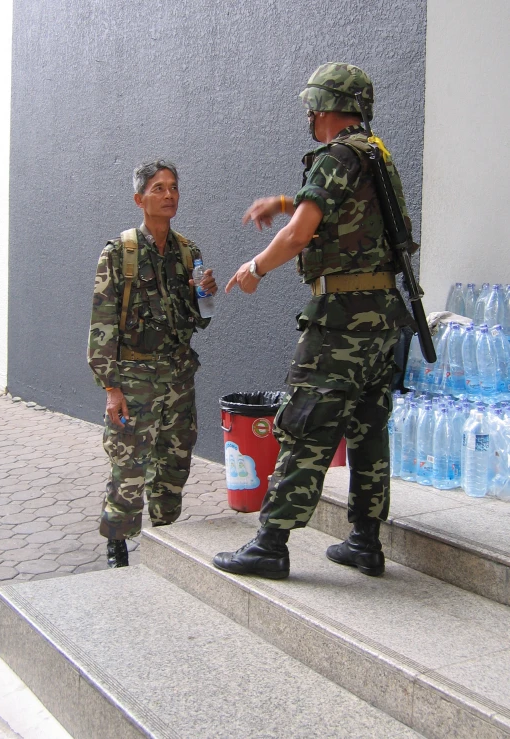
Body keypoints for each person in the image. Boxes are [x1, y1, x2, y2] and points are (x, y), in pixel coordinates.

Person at [213, 63, 415, 580]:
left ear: (324, 108)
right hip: (382, 319)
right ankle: (365, 542)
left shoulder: (335, 156)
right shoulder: (376, 153)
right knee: (369, 429)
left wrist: (255, 266)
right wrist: (284, 200)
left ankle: (270, 543)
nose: (308, 113)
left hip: (341, 324)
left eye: (311, 106)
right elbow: (356, 216)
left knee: (305, 422)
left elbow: (302, 234)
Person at [88, 160, 217, 568]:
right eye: (158, 188)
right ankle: (118, 544)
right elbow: (102, 325)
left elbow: (201, 319)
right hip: (134, 380)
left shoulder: (187, 252)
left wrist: (205, 294)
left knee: (174, 464)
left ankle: (168, 540)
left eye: (173, 187)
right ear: (139, 198)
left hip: (178, 377)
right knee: (128, 466)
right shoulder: (119, 253)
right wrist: (111, 388)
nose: (168, 195)